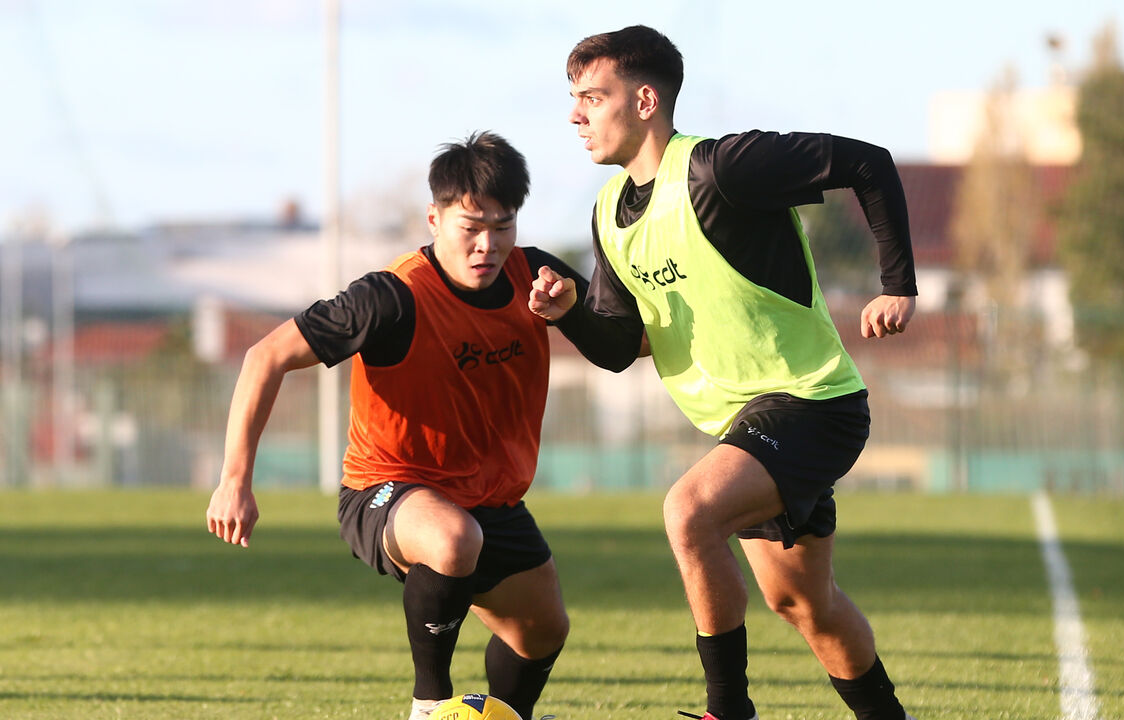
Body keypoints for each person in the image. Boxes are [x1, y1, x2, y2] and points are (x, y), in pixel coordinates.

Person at [528, 25, 918, 720]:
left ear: (645, 100)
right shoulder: (609, 217)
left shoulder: (721, 167)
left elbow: (869, 162)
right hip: (748, 427)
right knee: (805, 605)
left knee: (688, 511)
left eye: (593, 96)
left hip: (812, 404)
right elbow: (621, 346)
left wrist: (898, 284)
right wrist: (567, 315)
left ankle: (727, 710)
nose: (575, 114)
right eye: (573, 98)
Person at [207, 131, 583, 720]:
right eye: (470, 228)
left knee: (541, 632)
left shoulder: (535, 278)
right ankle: (427, 705)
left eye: (503, 227)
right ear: (434, 219)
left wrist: (580, 308)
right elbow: (265, 356)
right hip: (387, 489)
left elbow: (626, 340)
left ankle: (504, 716)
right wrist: (235, 480)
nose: (488, 245)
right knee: (453, 538)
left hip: (491, 499)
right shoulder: (392, 296)